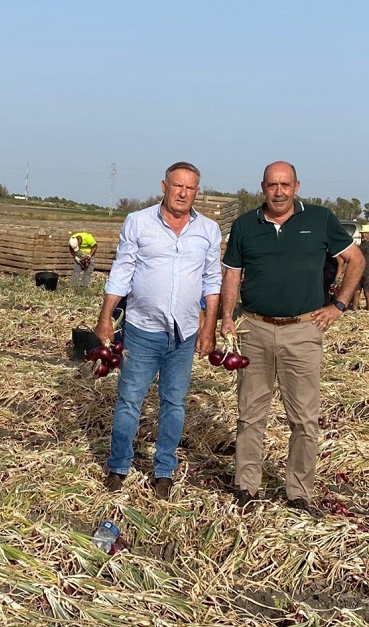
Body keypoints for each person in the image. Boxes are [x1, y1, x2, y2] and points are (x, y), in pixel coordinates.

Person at [219, 161, 363, 517]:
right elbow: (232, 275)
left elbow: (356, 260)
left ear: (296, 186)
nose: (279, 191)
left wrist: (339, 305)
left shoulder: (320, 219)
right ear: (262, 187)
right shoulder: (244, 226)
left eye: (285, 185)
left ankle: (298, 492)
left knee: (303, 417)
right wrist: (226, 317)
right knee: (250, 414)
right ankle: (246, 486)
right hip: (255, 328)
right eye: (272, 185)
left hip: (303, 330)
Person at [96, 162, 222, 501]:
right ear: (163, 186)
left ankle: (164, 470)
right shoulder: (139, 222)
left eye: (190, 188)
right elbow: (121, 271)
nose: (183, 193)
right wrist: (106, 316)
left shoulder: (208, 230)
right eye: (177, 186)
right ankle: (118, 466)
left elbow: (212, 281)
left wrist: (208, 327)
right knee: (129, 400)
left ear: (197, 192)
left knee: (173, 402)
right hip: (142, 328)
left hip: (184, 334)